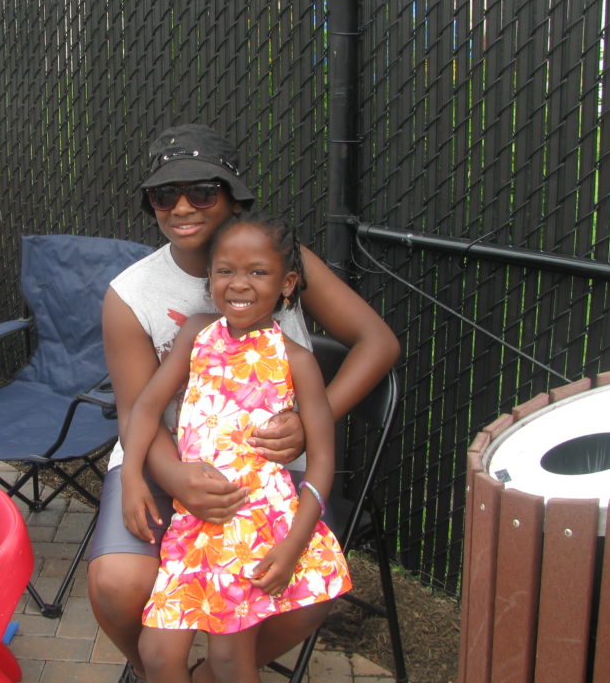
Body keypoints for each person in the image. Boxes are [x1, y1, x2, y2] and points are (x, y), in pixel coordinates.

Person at [88, 124, 400, 682]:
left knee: (308, 588)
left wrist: (310, 419)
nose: (182, 207)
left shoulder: (283, 258)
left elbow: (378, 343)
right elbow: (140, 409)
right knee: (118, 584)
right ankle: (157, 671)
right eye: (165, 194)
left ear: (233, 196)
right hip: (163, 456)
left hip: (271, 472)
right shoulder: (132, 295)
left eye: (202, 191)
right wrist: (175, 477)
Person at [121, 211, 351, 683]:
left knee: (229, 659)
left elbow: (323, 463)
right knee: (158, 652)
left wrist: (292, 546)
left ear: (287, 283)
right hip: (194, 521)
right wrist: (130, 480)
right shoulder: (196, 335)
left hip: (256, 529)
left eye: (257, 272)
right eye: (225, 271)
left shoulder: (297, 360)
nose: (239, 284)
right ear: (209, 278)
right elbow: (145, 409)